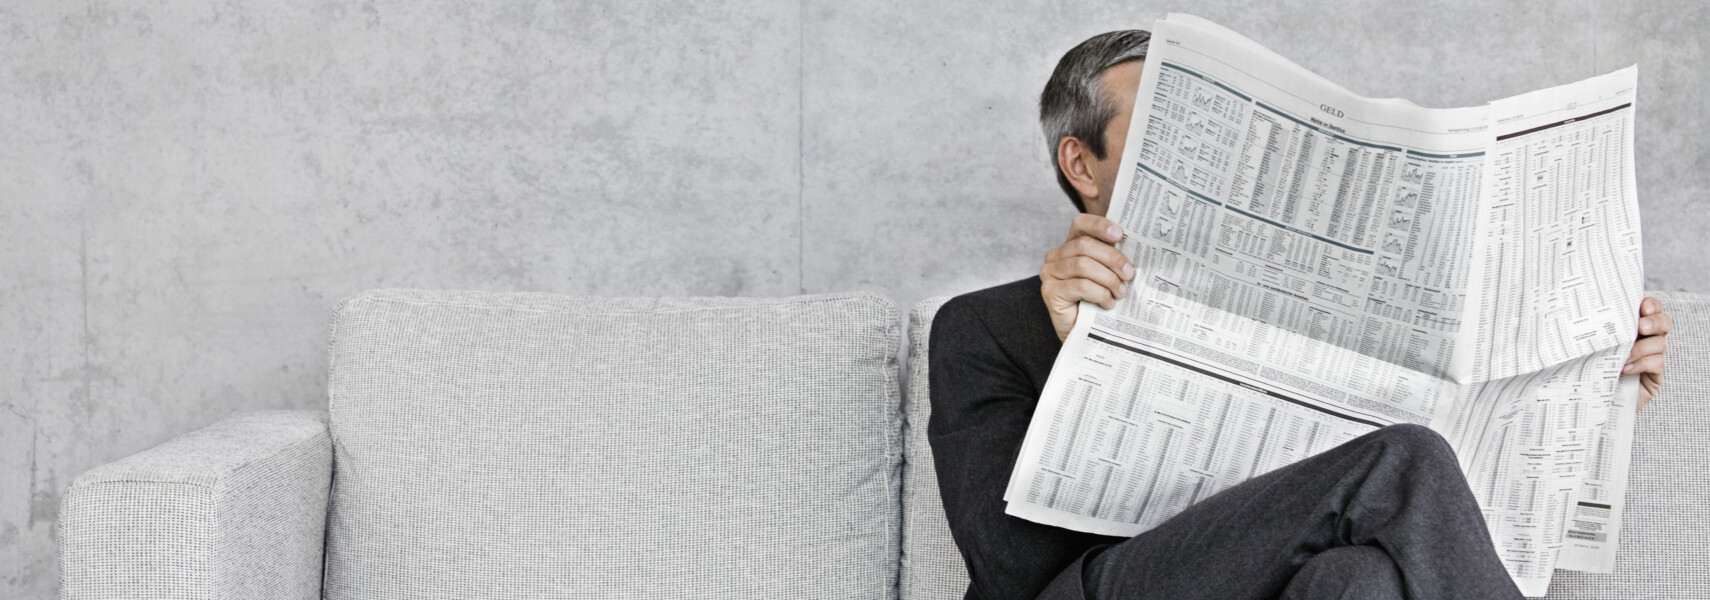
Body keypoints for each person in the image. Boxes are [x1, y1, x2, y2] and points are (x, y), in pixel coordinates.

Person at [928, 30, 1675, 600]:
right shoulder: (980, 326)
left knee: (1360, 582)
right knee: (1402, 457)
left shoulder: (1297, 307)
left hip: (1289, 578)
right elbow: (1009, 573)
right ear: (1081, 165)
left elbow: (1449, 501)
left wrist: (1585, 384)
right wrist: (1087, 361)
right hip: (1101, 589)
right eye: (1165, 134)